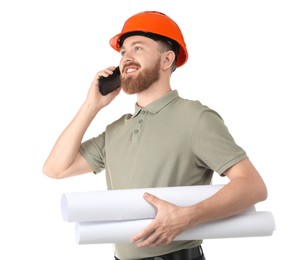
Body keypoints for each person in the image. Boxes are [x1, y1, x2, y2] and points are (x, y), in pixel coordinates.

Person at [43, 11, 268, 260]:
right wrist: (91, 105)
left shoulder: (195, 118)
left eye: (138, 48)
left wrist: (188, 216)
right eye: (123, 52)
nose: (126, 58)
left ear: (166, 59)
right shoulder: (116, 130)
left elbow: (252, 186)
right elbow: (56, 169)